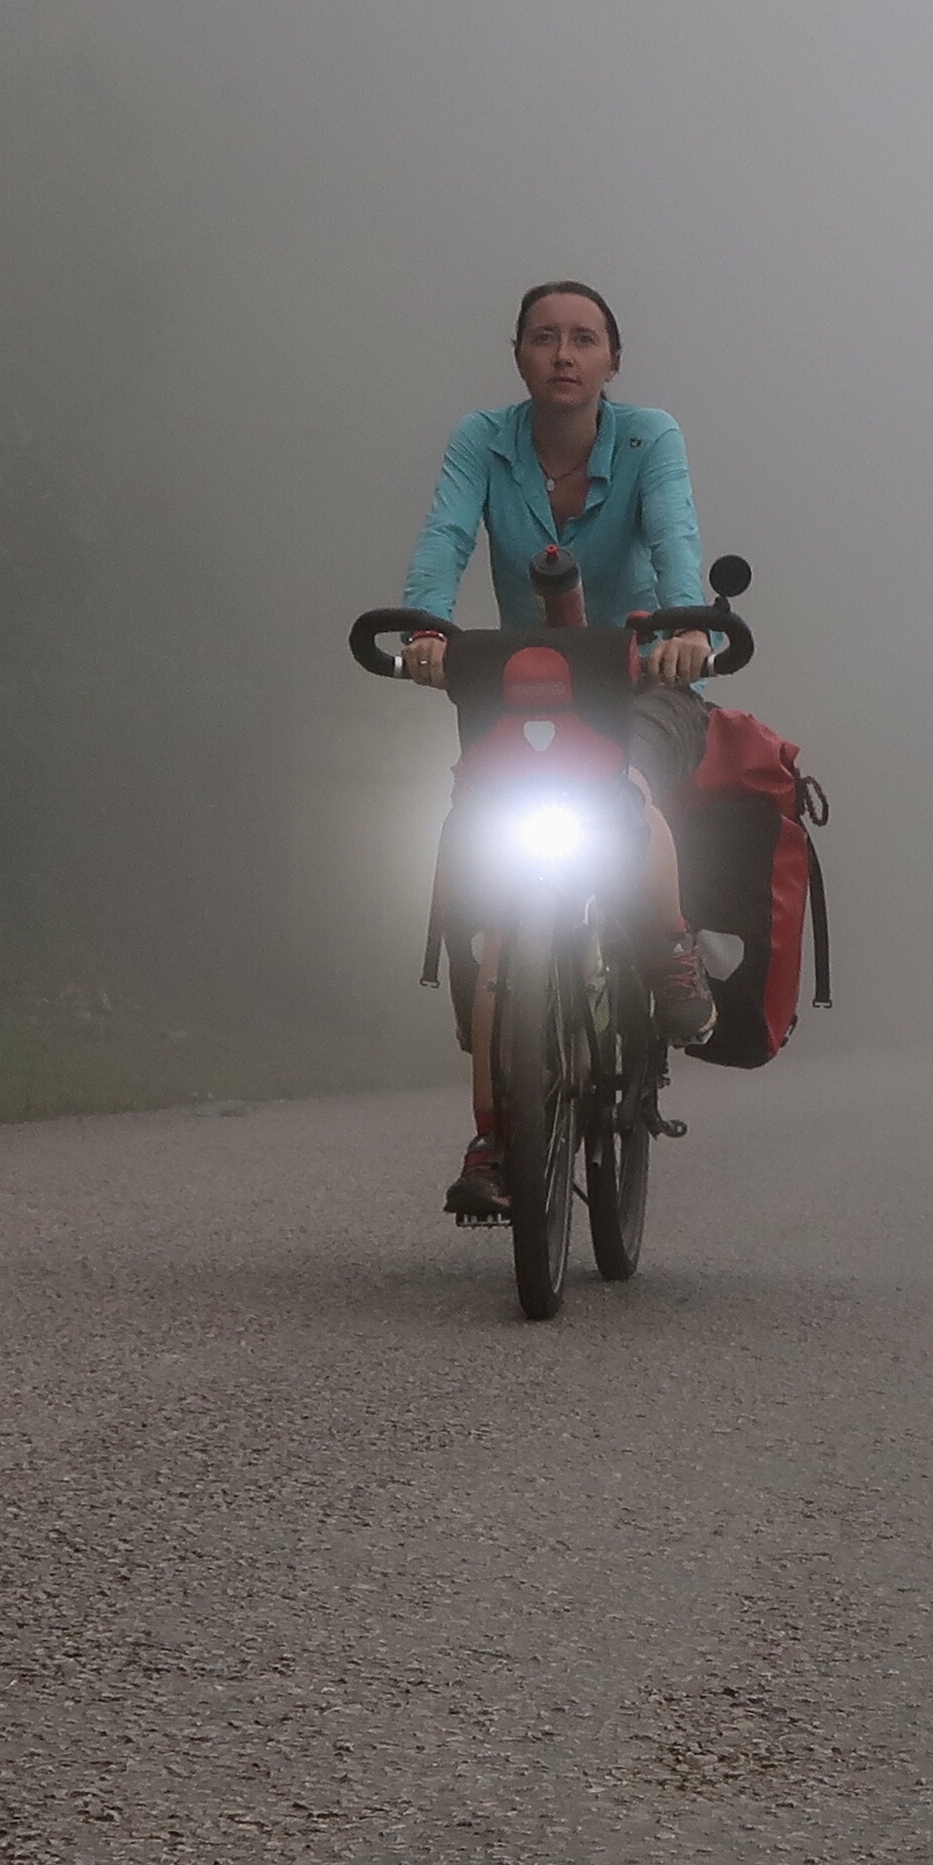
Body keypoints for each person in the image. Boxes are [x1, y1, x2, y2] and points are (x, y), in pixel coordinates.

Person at [395, 280, 723, 1221]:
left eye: (585, 339)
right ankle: (497, 1131)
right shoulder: (480, 441)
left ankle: (666, 958)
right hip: (521, 686)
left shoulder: (649, 437)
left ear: (613, 360)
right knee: (479, 868)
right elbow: (446, 537)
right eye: (545, 338)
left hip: (641, 683)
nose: (564, 355)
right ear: (519, 356)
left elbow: (674, 541)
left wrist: (682, 631)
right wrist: (425, 630)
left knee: (625, 792)